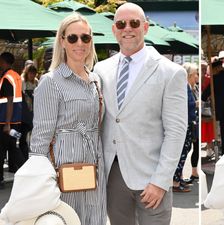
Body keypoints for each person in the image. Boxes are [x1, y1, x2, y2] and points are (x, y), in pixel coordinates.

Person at [93, 3, 187, 225]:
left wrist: (161, 181)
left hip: (152, 179)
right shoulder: (100, 70)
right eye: (121, 24)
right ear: (114, 30)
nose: (128, 28)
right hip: (112, 176)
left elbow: (176, 131)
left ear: (145, 27)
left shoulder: (171, 72)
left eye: (134, 23)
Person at [29, 13, 107, 225]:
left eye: (85, 37)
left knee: (95, 219)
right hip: (63, 171)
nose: (79, 43)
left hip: (95, 167)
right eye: (73, 38)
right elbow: (39, 140)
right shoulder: (50, 82)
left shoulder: (95, 80)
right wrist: (41, 179)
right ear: (62, 41)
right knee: (68, 219)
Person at [172, 62, 198, 192]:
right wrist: (196, 104)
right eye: (195, 74)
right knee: (181, 153)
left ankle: (178, 179)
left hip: (185, 123)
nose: (197, 77)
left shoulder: (186, 86)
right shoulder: (183, 86)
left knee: (183, 153)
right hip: (184, 124)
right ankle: (175, 182)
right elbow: (187, 104)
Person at [0, 52, 24, 188]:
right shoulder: (15, 76)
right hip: (15, 120)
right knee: (13, 148)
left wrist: (7, 124)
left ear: (3, 61)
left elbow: (9, 101)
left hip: (5, 122)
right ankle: (29, 174)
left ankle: (0, 179)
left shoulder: (7, 78)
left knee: (3, 149)